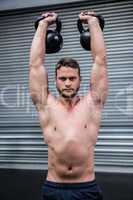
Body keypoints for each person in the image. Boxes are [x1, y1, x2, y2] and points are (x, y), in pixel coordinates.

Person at [29, 10, 108, 200]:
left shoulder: (93, 103)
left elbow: (100, 62)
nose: (67, 83)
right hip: (53, 187)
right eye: (62, 78)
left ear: (80, 80)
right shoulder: (46, 104)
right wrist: (42, 25)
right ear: (55, 81)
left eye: (72, 78)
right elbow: (35, 65)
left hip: (86, 187)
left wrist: (93, 23)